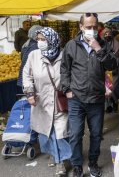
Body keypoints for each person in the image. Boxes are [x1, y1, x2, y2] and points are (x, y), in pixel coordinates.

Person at [60, 13, 117, 177]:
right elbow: (64, 69)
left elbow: (112, 64)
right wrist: (67, 89)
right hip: (76, 98)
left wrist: (98, 49)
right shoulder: (71, 45)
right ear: (81, 27)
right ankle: (77, 165)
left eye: (94, 27)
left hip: (96, 99)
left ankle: (93, 163)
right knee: (76, 134)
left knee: (97, 134)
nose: (92, 30)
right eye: (88, 27)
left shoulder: (103, 44)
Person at [23, 27, 71, 176]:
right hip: (41, 101)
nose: (40, 42)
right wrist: (30, 92)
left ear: (53, 40)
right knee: (46, 133)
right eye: (38, 39)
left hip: (60, 100)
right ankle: (55, 154)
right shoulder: (33, 55)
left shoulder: (64, 55)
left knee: (60, 133)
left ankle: (60, 162)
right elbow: (27, 75)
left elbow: (72, 74)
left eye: (43, 39)